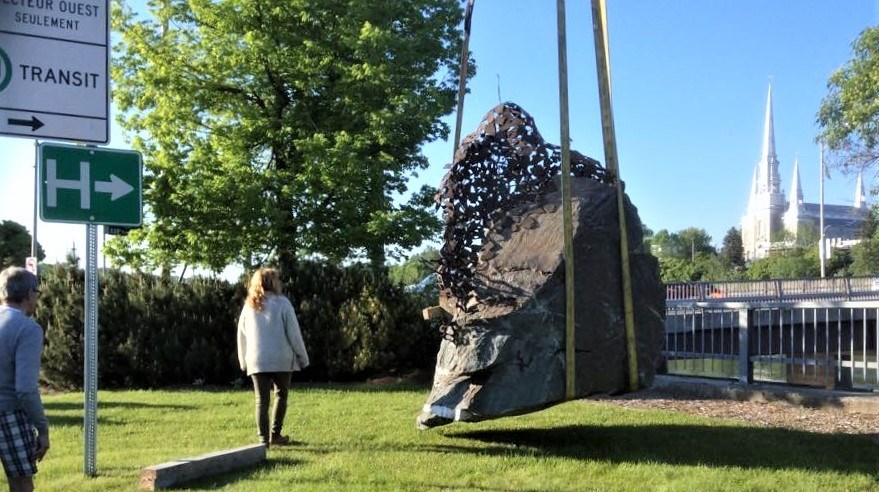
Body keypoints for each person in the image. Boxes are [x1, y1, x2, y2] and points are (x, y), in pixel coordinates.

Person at [237, 268, 309, 447]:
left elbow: (242, 335)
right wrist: (303, 357)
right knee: (281, 395)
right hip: (281, 359)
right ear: (274, 282)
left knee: (261, 400)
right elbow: (294, 333)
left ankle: (263, 440)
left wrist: (243, 361)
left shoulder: (249, 305)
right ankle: (275, 435)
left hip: (256, 359)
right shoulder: (283, 303)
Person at [0, 267, 49, 492]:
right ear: (30, 293)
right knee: (20, 483)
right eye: (37, 292)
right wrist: (43, 429)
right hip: (9, 414)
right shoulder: (28, 328)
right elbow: (26, 389)